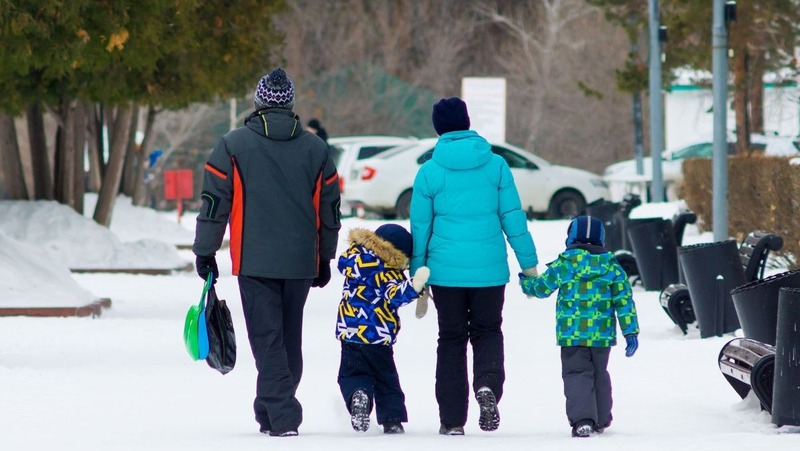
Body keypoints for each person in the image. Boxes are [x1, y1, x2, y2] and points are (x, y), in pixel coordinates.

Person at [193, 67, 341, 437]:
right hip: (299, 260)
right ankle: (269, 410)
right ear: (289, 104)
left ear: (258, 102)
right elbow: (330, 209)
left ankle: (283, 417)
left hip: (254, 259)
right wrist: (324, 256)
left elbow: (214, 204)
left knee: (267, 339)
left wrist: (205, 250)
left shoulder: (232, 145)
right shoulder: (316, 149)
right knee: (288, 336)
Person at [409, 97, 539, 435]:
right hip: (489, 271)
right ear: (467, 123)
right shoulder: (496, 165)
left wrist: (418, 272)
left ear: (438, 128)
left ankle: (452, 420)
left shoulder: (428, 172)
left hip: (445, 273)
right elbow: (513, 218)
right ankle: (487, 388)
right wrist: (529, 265)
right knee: (488, 331)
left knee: (451, 338)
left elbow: (421, 228)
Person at [518, 215, 639, 438]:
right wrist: (630, 331)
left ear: (571, 237)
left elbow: (542, 288)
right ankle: (601, 419)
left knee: (577, 373)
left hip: (572, 334)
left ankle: (583, 420)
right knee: (599, 373)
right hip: (601, 335)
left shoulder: (565, 264)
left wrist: (526, 283)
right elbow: (624, 301)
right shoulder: (612, 267)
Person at [335, 224, 429, 434]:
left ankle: (359, 395)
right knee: (385, 378)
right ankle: (392, 419)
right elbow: (394, 295)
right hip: (377, 335)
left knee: (352, 373)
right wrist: (415, 286)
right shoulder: (387, 270)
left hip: (349, 332)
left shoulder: (354, 259)